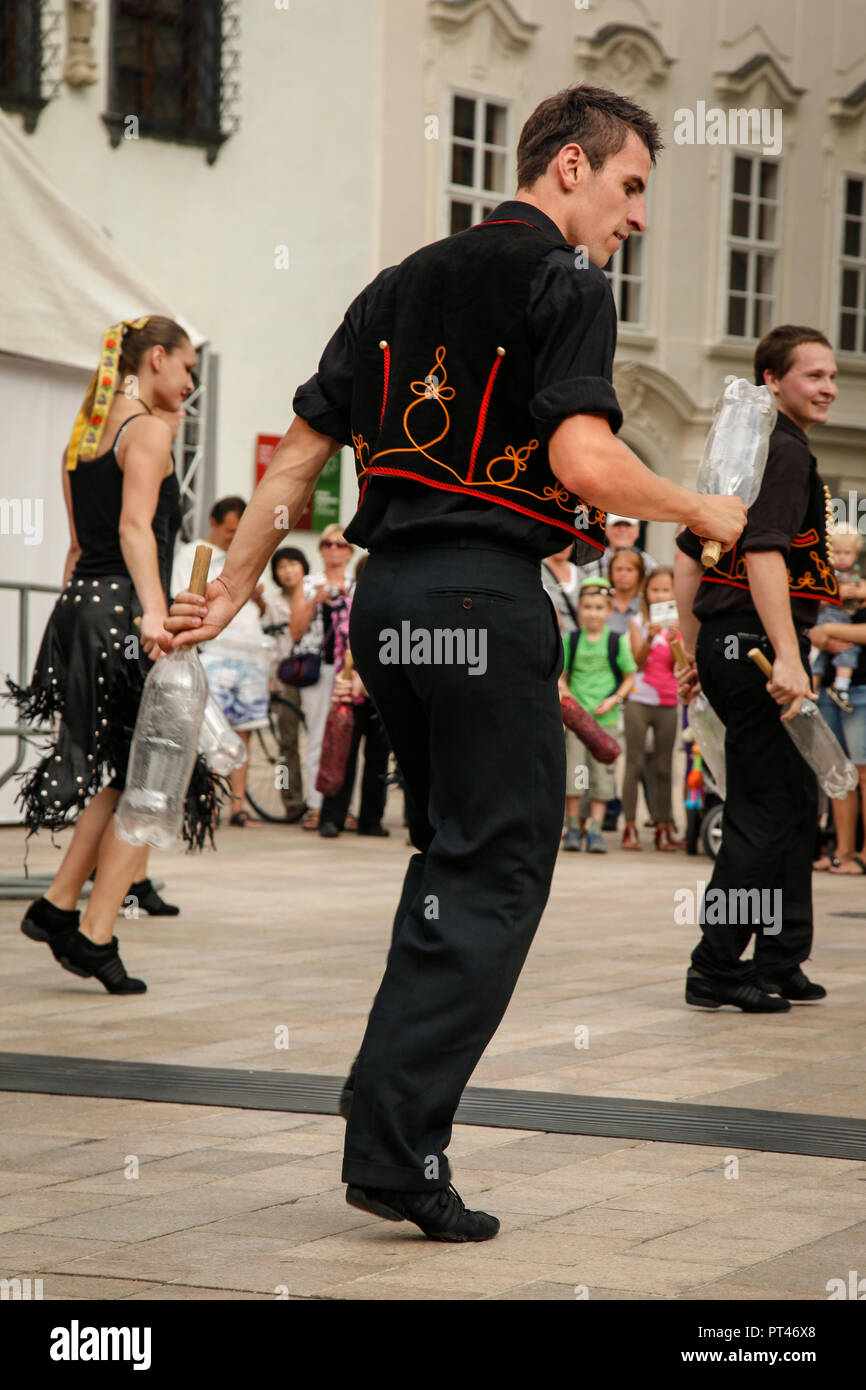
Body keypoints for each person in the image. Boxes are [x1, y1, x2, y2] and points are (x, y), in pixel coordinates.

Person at [163, 84, 744, 1242]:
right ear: (569, 167)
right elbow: (582, 459)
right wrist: (698, 506)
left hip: (389, 604)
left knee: (451, 854)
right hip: (483, 600)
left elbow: (297, 473)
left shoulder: (392, 284)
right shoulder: (565, 281)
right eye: (629, 187)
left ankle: (390, 1115)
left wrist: (223, 588)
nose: (633, 217)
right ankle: (395, 1137)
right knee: (497, 867)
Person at [7, 317, 200, 993]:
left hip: (81, 609)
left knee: (121, 774)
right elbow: (133, 528)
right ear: (155, 359)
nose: (190, 382)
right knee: (151, 777)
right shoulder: (147, 429)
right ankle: (93, 934)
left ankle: (60, 905)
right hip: (123, 610)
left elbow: (75, 547)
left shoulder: (83, 438)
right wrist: (154, 613)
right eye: (187, 367)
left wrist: (77, 625)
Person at [674, 324, 841, 1013]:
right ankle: (715, 967)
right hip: (759, 647)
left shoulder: (741, 449)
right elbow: (767, 554)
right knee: (763, 812)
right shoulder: (786, 452)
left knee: (796, 802)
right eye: (813, 376)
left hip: (730, 642)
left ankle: (779, 956)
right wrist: (791, 659)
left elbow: (689, 553)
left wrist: (692, 650)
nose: (829, 387)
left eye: (833, 375)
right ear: (773, 380)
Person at [173, 498, 272, 827]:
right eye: (230, 530)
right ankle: (208, 803)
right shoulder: (192, 553)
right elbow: (180, 597)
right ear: (214, 523)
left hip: (251, 651)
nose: (234, 536)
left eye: (238, 530)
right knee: (211, 731)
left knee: (243, 730)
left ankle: (238, 806)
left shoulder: (250, 553)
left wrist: (256, 597)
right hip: (215, 651)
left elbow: (266, 609)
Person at [558, 577, 636, 852]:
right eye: (588, 606)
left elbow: (629, 677)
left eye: (599, 607)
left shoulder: (616, 641)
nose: (593, 612)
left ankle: (595, 830)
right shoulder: (572, 640)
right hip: (578, 722)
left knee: (602, 775)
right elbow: (562, 675)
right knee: (575, 772)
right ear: (580, 608)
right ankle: (572, 828)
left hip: (606, 720)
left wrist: (614, 699)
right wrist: (566, 695)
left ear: (609, 609)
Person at [288, 524, 356, 831]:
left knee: (349, 736)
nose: (333, 549)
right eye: (328, 543)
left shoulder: (358, 584)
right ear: (320, 548)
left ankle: (347, 808)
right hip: (318, 667)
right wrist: (316, 599)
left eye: (340, 545)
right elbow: (295, 630)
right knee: (317, 735)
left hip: (350, 670)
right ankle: (316, 805)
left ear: (350, 551)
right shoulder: (309, 583)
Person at [320, 558, 391, 838]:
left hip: (383, 693)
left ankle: (371, 820)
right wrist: (356, 677)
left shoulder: (395, 609)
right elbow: (345, 645)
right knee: (342, 755)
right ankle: (332, 818)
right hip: (350, 689)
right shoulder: (348, 605)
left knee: (378, 759)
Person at [622, 566, 680, 850]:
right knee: (633, 764)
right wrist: (648, 638)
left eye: (665, 590)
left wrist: (676, 639)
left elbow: (681, 665)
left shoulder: (680, 626)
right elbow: (638, 663)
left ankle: (664, 825)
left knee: (664, 766)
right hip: (639, 700)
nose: (660, 595)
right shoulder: (637, 622)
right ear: (647, 593)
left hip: (668, 701)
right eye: (655, 590)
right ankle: (630, 825)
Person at [810, 603, 866, 874]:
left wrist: (828, 629)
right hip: (829, 690)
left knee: (863, 772)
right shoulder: (837, 589)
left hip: (862, 690)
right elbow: (810, 632)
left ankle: (865, 854)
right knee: (839, 771)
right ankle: (843, 852)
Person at [263, 546, 309, 821]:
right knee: (287, 742)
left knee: (317, 740)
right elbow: (267, 644)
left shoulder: (315, 596)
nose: (288, 570)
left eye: (293, 564)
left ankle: (318, 801)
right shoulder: (271, 604)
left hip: (315, 674)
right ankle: (291, 800)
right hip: (285, 678)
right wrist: (270, 679)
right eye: (282, 566)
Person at [811, 524, 866, 712]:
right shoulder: (823, 576)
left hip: (858, 684)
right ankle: (811, 695)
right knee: (814, 662)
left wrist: (826, 631)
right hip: (822, 635)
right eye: (837, 552)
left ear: (856, 553)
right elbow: (811, 603)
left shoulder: (857, 579)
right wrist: (834, 594)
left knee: (849, 654)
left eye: (847, 552)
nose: (841, 557)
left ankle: (840, 686)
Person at [577, 512, 657, 581]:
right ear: (606, 529)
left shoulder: (649, 564)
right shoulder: (590, 562)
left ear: (637, 530)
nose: (622, 530)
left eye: (628, 525)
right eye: (617, 525)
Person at [541, 541, 581, 633]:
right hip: (549, 638)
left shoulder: (580, 574)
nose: (564, 546)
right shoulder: (537, 570)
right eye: (559, 539)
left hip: (575, 642)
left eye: (568, 540)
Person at [607, 546, 646, 636]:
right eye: (618, 569)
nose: (623, 574)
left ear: (639, 574)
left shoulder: (645, 604)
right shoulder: (602, 601)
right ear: (611, 572)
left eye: (630, 570)